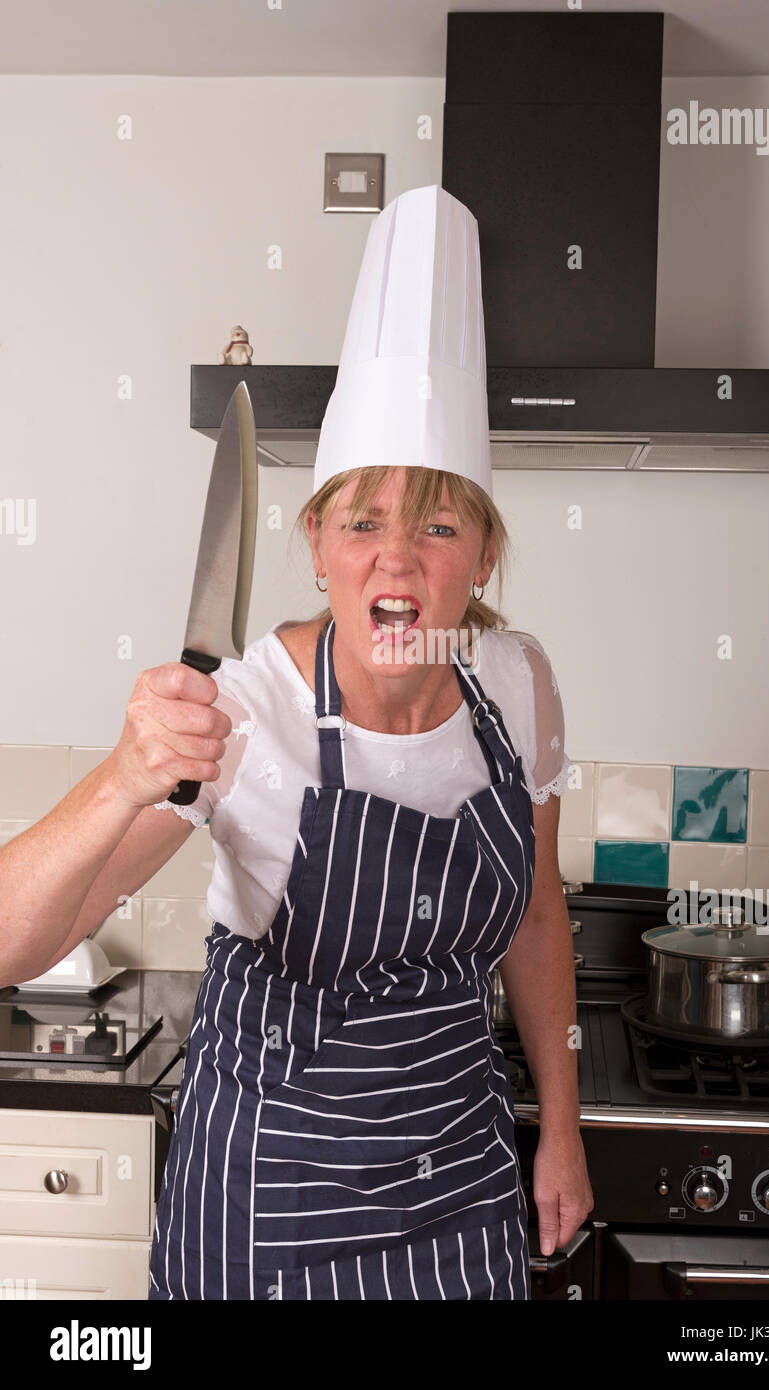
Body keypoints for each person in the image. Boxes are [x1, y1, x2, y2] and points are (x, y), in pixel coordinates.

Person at [0, 186, 593, 1300]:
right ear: (317, 541)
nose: (400, 565)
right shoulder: (246, 707)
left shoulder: (517, 685)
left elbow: (536, 911)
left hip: (461, 1191)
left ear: (483, 555)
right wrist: (122, 780)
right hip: (269, 1205)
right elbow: (22, 942)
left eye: (439, 524)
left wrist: (559, 1128)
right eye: (363, 521)